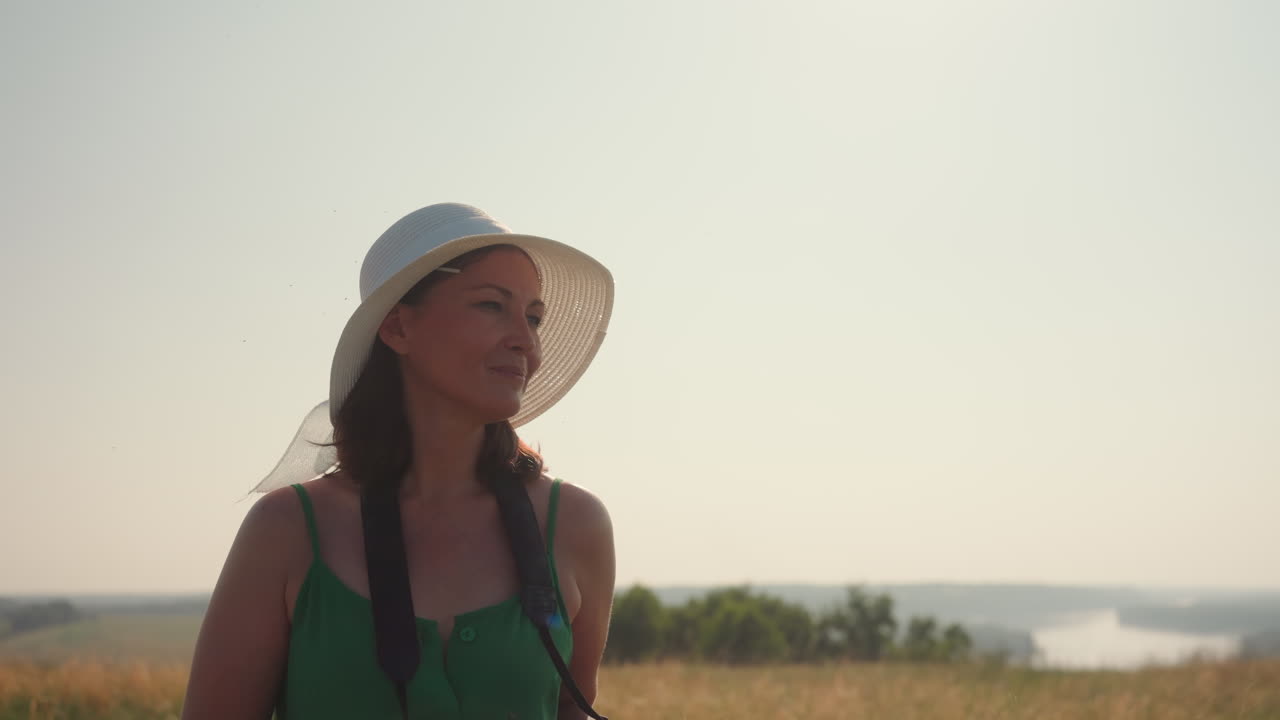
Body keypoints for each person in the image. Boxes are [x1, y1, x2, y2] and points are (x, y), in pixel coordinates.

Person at [182, 203, 617, 719]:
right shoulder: (286, 529)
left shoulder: (574, 523)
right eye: (490, 306)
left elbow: (572, 706)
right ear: (398, 329)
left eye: (534, 317)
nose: (526, 340)